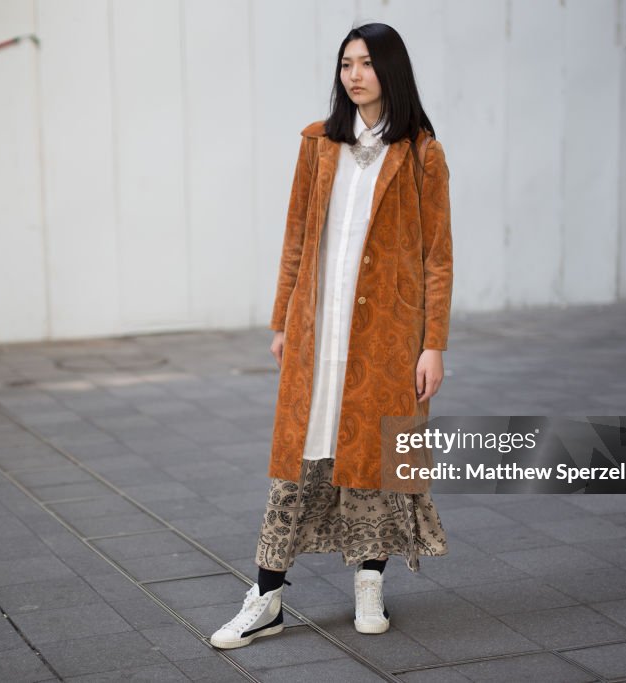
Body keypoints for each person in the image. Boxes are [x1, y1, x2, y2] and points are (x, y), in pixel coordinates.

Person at [210, 22, 453, 650]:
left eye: (367, 63)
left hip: (388, 336)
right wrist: (282, 320)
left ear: (390, 71)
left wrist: (433, 344)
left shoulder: (421, 151)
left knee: (372, 455)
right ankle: (265, 596)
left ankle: (369, 582)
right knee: (299, 459)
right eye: (346, 63)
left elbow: (437, 256)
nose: (354, 74)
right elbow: (296, 237)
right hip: (321, 332)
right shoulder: (318, 144)